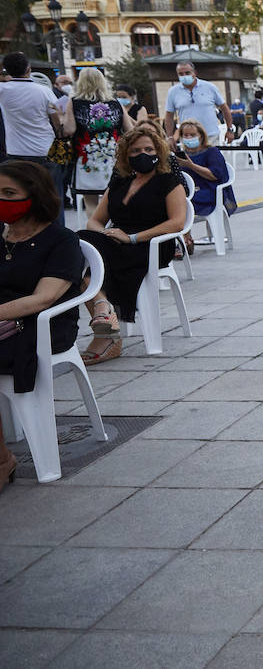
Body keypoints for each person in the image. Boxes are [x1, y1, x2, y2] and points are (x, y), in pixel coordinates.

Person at [0, 159, 87, 489]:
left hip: (41, 326)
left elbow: (43, 299)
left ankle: (2, 460)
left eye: (10, 193)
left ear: (34, 195)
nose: (3, 200)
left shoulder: (61, 240)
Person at [76, 125, 188, 363]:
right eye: (136, 150)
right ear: (126, 155)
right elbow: (95, 221)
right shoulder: (119, 182)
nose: (143, 154)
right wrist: (108, 235)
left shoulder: (168, 181)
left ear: (159, 150)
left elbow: (177, 223)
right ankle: (105, 315)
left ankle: (106, 330)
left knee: (88, 266)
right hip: (116, 242)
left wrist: (133, 238)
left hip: (151, 244)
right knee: (77, 244)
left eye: (149, 149)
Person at [62, 67, 133, 212]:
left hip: (86, 157)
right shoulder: (115, 103)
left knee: (91, 201)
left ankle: (96, 231)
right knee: (114, 195)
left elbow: (69, 130)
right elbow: (130, 131)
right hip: (113, 156)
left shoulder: (74, 102)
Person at [0, 53, 63, 196]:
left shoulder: (3, 90)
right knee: (51, 194)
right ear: (29, 68)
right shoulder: (45, 91)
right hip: (46, 149)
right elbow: (56, 118)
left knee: (22, 195)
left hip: (16, 152)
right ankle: (54, 219)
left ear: (7, 70)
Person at [173, 120, 236, 244]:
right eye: (185, 135)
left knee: (182, 202)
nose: (188, 138)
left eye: (192, 135)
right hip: (189, 191)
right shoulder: (182, 155)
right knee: (171, 201)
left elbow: (215, 175)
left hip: (210, 191)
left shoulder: (211, 152)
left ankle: (185, 239)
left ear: (201, 136)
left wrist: (191, 165)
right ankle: (181, 239)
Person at [163, 62, 234, 146]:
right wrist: (169, 137)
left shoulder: (209, 87)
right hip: (188, 138)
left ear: (194, 73)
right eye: (181, 74)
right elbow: (169, 115)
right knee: (189, 160)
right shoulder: (173, 92)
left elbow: (224, 108)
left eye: (187, 73)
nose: (184, 76)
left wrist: (229, 129)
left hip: (211, 136)